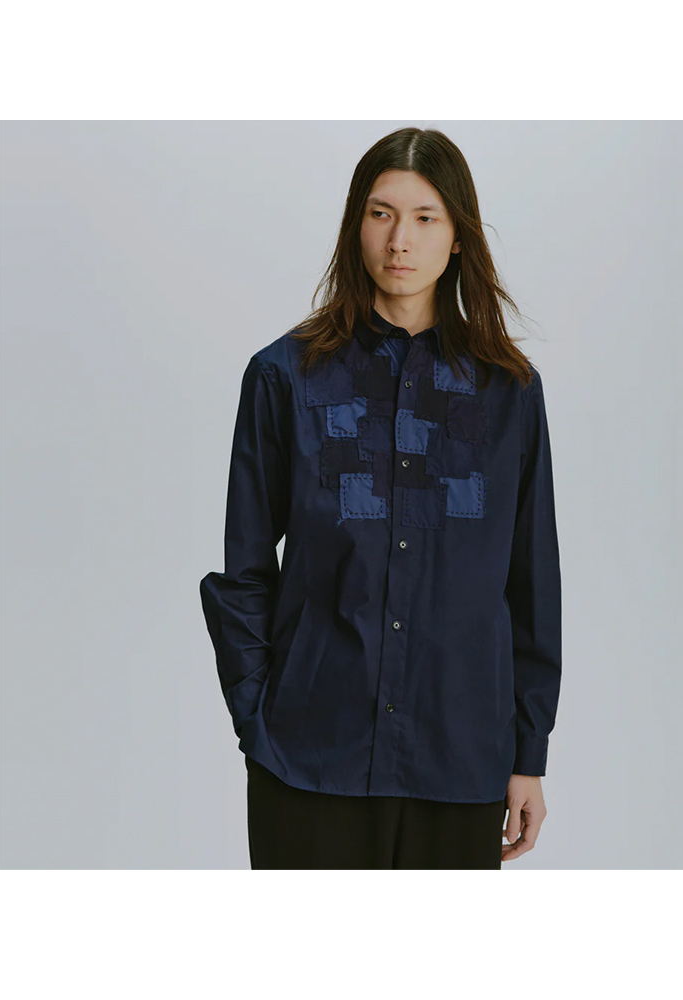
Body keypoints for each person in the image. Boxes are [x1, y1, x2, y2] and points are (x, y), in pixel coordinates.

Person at [199, 126, 562, 869]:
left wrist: (529, 753)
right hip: (307, 756)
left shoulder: (508, 393)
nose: (401, 240)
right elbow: (244, 570)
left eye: (426, 217)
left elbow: (531, 584)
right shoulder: (284, 377)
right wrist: (257, 718)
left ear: (458, 236)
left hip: (461, 758)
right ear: (355, 225)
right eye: (381, 213)